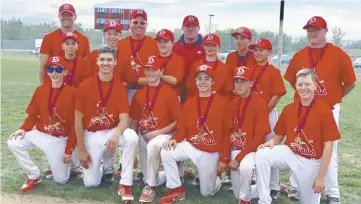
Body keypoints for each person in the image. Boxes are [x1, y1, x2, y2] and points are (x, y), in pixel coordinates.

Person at [284, 16, 356, 204]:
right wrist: (304, 94)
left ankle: (333, 192)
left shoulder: (338, 54)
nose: (312, 32)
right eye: (309, 29)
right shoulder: (300, 55)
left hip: (328, 110)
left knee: (329, 150)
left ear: (325, 31)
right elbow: (292, 80)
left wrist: (333, 98)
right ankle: (296, 187)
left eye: (316, 29)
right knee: (298, 146)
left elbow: (350, 83)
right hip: (302, 110)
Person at [256, 68, 341, 204]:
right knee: (262, 154)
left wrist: (320, 177)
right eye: (300, 84)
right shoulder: (290, 108)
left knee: (308, 201)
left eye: (307, 84)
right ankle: (264, 200)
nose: (303, 88)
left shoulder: (324, 110)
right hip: (291, 152)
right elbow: (279, 135)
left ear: (315, 86)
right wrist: (272, 142)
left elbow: (328, 146)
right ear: (295, 87)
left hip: (310, 161)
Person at [159, 64, 232, 203]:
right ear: (195, 81)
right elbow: (182, 128)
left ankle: (216, 180)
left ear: (213, 82)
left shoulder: (223, 103)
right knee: (166, 152)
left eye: (206, 78)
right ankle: (176, 189)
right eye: (199, 78)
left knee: (206, 193)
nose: (202, 82)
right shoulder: (190, 102)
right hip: (192, 146)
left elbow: (227, 133)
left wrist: (225, 158)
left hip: (210, 151)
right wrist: (176, 139)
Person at [74, 47, 138, 203]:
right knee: (91, 183)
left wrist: (116, 135)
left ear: (115, 62)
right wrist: (81, 150)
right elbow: (77, 121)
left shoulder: (119, 86)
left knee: (131, 136)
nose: (105, 63)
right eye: (102, 59)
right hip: (92, 134)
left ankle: (125, 184)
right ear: (96, 61)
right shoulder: (85, 85)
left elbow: (124, 119)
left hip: (111, 131)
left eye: (109, 59)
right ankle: (101, 167)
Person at [7, 56, 77, 191]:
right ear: (47, 72)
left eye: (58, 69)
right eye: (51, 69)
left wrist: (68, 150)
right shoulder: (41, 90)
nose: (54, 72)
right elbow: (33, 115)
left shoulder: (73, 93)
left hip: (60, 138)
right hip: (41, 134)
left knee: (61, 180)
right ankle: (34, 175)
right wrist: (23, 128)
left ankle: (73, 164)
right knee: (13, 142)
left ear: (65, 72)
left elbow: (76, 124)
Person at [129, 56, 181, 203]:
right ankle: (166, 175)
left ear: (161, 71)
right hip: (143, 135)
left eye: (154, 70)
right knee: (149, 174)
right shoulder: (140, 93)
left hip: (162, 134)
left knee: (154, 145)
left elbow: (177, 121)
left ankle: (149, 187)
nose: (150, 73)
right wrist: (134, 143)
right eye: (148, 69)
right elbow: (133, 120)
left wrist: (157, 133)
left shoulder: (169, 92)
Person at [248, 37, 287, 199]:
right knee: (256, 145)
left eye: (261, 50)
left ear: (269, 52)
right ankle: (258, 180)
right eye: (255, 50)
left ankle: (274, 185)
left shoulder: (273, 71)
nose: (257, 53)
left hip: (268, 114)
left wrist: (264, 111)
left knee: (271, 147)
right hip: (252, 115)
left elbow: (277, 94)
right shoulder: (250, 69)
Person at [228, 66, 271, 204]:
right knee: (236, 193)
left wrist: (238, 158)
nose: (239, 85)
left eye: (243, 81)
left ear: (251, 83)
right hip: (235, 148)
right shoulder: (233, 102)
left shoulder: (259, 103)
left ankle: (245, 200)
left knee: (246, 167)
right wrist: (225, 156)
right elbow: (227, 131)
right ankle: (259, 187)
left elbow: (259, 138)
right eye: (236, 81)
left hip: (251, 150)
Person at [39, 3, 90, 85]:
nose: (66, 18)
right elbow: (42, 66)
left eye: (69, 15)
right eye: (63, 15)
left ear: (75, 17)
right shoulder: (48, 38)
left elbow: (87, 67)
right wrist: (43, 87)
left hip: (76, 87)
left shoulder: (83, 39)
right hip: (54, 86)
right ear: (59, 17)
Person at [117, 9, 158, 104]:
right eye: (135, 22)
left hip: (147, 90)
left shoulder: (154, 43)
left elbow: (159, 69)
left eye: (142, 23)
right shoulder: (121, 44)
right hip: (125, 91)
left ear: (146, 25)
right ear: (129, 25)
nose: (139, 25)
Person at [186, 33, 233, 100]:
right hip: (199, 103)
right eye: (207, 45)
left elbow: (228, 91)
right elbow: (190, 88)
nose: (210, 48)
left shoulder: (225, 68)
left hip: (217, 104)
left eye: (213, 45)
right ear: (203, 47)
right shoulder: (195, 65)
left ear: (219, 47)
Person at [173, 15, 205, 102]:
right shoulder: (175, 47)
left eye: (193, 26)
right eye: (187, 26)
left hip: (199, 89)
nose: (190, 29)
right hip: (178, 90)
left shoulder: (205, 47)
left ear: (198, 28)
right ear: (182, 28)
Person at [144, 29, 185, 97]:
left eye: (165, 41)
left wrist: (155, 75)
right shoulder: (152, 59)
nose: (162, 44)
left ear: (172, 43)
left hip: (173, 97)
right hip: (154, 96)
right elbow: (144, 79)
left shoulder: (179, 60)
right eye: (159, 42)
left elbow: (174, 81)